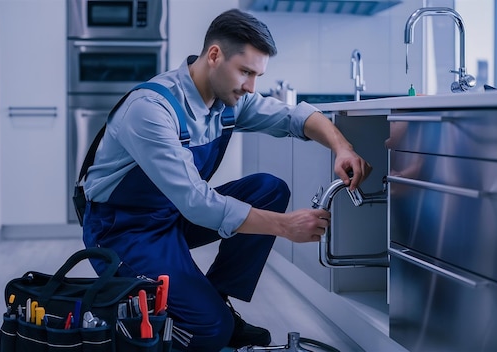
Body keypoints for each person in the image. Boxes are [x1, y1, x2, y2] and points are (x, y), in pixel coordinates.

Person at [82, 8, 372, 352]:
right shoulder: (151, 110)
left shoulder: (227, 102)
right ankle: (156, 325)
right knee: (210, 331)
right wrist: (284, 226)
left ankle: (215, 301)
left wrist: (342, 147)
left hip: (170, 216)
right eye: (245, 72)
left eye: (257, 75)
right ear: (215, 56)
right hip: (123, 231)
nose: (251, 86)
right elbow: (197, 203)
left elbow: (294, 117)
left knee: (268, 190)